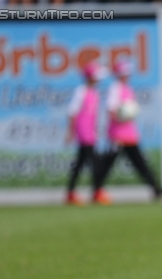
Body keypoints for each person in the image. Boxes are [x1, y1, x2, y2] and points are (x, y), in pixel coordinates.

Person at [97, 59, 162, 201]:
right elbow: (111, 110)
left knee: (140, 163)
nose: (127, 75)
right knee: (107, 164)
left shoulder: (127, 88)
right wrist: (122, 115)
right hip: (117, 135)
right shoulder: (115, 88)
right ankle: (97, 190)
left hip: (129, 134)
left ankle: (156, 189)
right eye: (124, 73)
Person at [65, 61, 110, 206]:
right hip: (83, 132)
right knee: (95, 163)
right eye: (96, 76)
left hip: (91, 132)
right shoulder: (81, 91)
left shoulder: (94, 93)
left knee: (80, 163)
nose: (98, 79)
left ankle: (71, 193)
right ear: (90, 77)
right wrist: (71, 132)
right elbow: (72, 112)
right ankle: (97, 192)